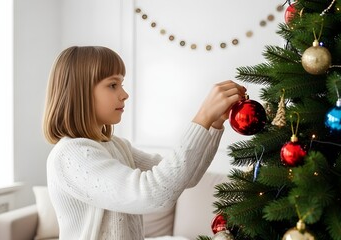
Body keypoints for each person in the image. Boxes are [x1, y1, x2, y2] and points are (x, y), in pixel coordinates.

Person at [43, 46, 245, 240]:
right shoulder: (70, 155)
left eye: (121, 84)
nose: (124, 94)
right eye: (113, 85)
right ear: (81, 91)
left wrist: (214, 123)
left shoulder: (117, 146)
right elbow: (153, 195)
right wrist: (202, 116)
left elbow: (187, 177)